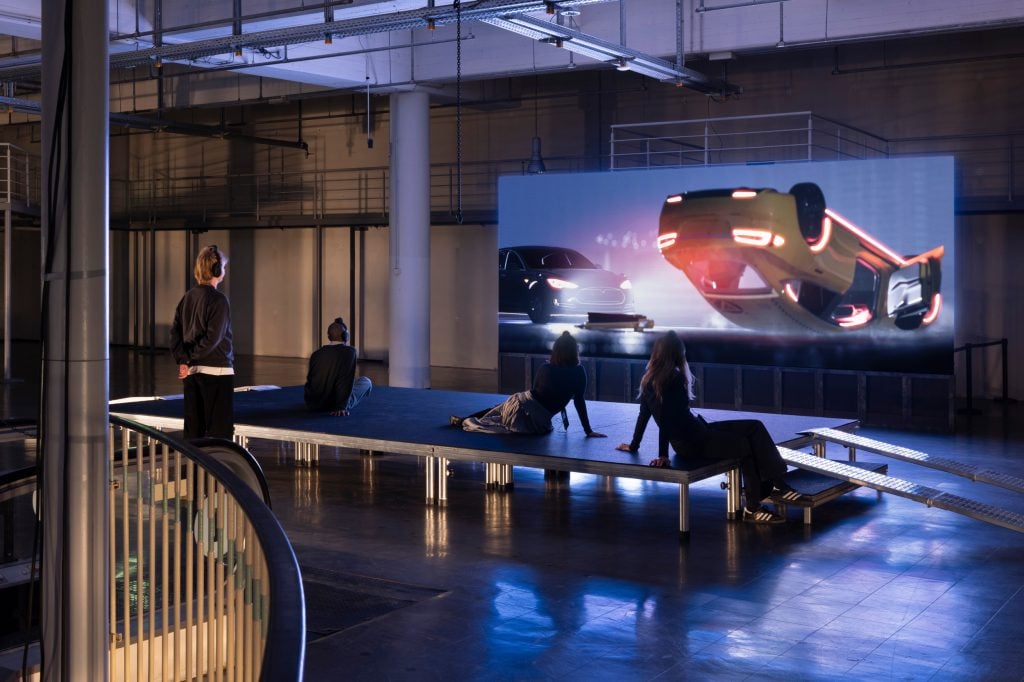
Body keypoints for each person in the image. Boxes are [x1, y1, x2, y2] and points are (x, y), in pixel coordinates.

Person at [615, 331, 795, 524]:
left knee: (754, 427)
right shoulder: (672, 380)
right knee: (744, 446)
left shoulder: (649, 380)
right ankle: (753, 508)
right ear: (677, 354)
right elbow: (664, 420)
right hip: (693, 442)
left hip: (698, 431)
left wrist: (634, 445)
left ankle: (776, 483)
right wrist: (663, 455)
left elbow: (644, 415)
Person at [452, 331, 607, 439]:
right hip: (538, 422)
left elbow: (536, 393)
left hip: (523, 406)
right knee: (499, 414)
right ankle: (464, 420)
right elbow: (579, 401)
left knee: (497, 412)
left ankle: (464, 420)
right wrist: (588, 430)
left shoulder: (546, 368)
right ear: (575, 352)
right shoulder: (579, 372)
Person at [170, 244, 235, 440]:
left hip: (192, 372)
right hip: (217, 372)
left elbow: (175, 333)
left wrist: (184, 360)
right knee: (219, 432)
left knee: (193, 430)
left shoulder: (187, 297)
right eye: (222, 267)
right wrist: (188, 359)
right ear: (216, 271)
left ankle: (193, 470)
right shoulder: (219, 300)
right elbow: (213, 339)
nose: (224, 270)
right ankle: (218, 470)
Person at [304, 317, 372, 416]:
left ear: (328, 336)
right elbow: (345, 380)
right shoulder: (349, 352)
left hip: (314, 404)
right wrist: (341, 406)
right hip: (335, 405)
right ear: (346, 336)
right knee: (366, 381)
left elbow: (311, 381)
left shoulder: (316, 354)